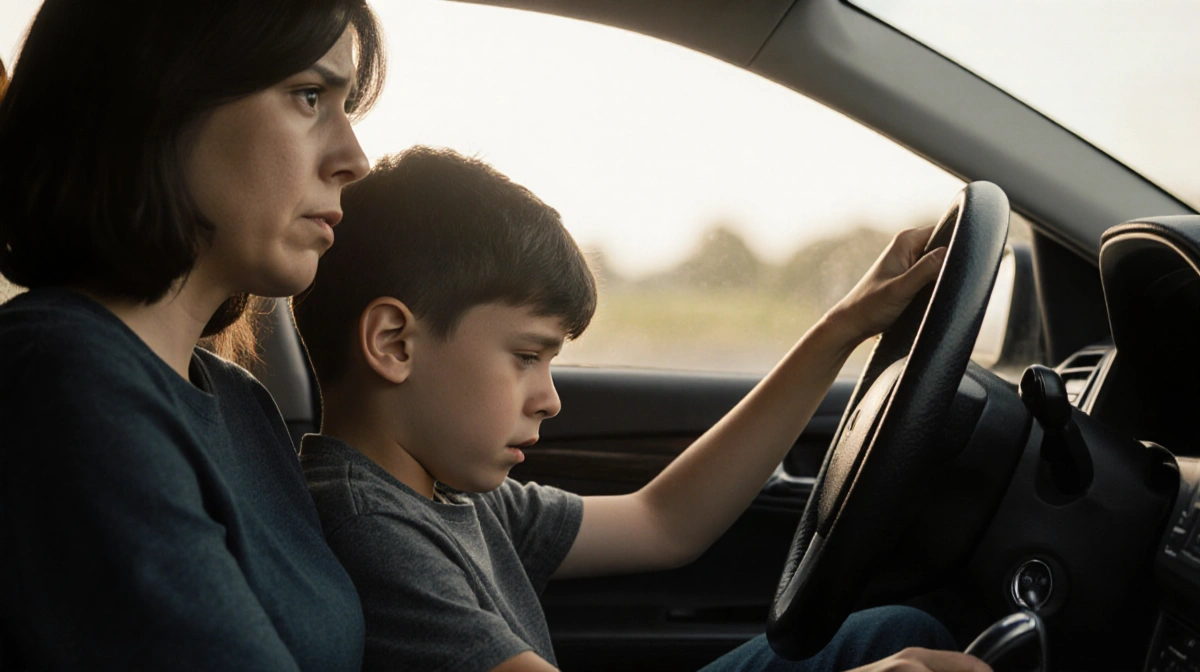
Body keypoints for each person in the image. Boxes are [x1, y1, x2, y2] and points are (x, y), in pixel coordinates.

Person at [292, 146, 990, 672]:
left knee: (892, 632)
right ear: (394, 342)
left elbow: (664, 522)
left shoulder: (452, 495)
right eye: (527, 356)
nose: (550, 396)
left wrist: (841, 327)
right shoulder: (368, 531)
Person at [0, 1, 384, 668]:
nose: (355, 159)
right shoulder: (66, 383)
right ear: (159, 100)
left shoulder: (240, 402)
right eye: (309, 96)